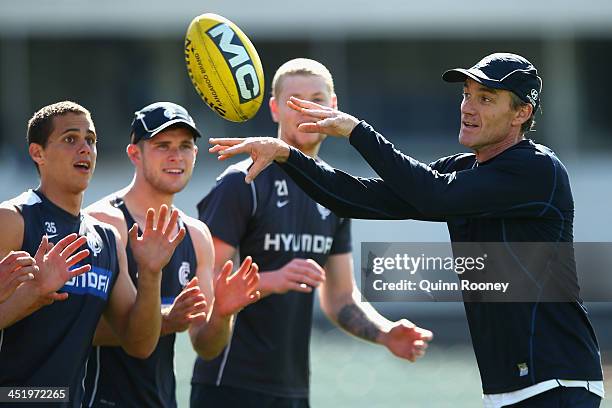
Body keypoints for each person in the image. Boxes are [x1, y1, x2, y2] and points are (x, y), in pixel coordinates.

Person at [209, 53, 604, 407]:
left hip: (556, 382)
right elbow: (358, 198)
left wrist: (357, 132)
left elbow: (434, 196)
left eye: (486, 99)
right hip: (509, 387)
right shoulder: (463, 171)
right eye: (466, 94)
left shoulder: (537, 169)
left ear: (521, 114)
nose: (468, 107)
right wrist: (286, 155)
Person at [192, 58, 433, 408]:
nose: (307, 109)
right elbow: (209, 288)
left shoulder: (335, 191)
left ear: (333, 107)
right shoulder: (242, 183)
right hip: (228, 385)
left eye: (317, 99)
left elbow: (340, 298)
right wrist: (273, 279)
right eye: (294, 100)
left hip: (293, 390)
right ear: (274, 109)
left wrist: (384, 332)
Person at [0, 101, 184, 407]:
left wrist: (151, 274)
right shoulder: (12, 220)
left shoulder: (106, 238)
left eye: (91, 140)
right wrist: (31, 293)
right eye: (70, 139)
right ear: (38, 153)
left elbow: (139, 343)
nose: (85, 148)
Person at [83, 101, 260, 408]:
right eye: (162, 145)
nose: (176, 156)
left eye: (185, 145)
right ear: (135, 154)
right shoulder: (102, 223)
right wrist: (165, 320)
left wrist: (222, 314)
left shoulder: (196, 234)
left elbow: (205, 345)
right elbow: (79, 328)